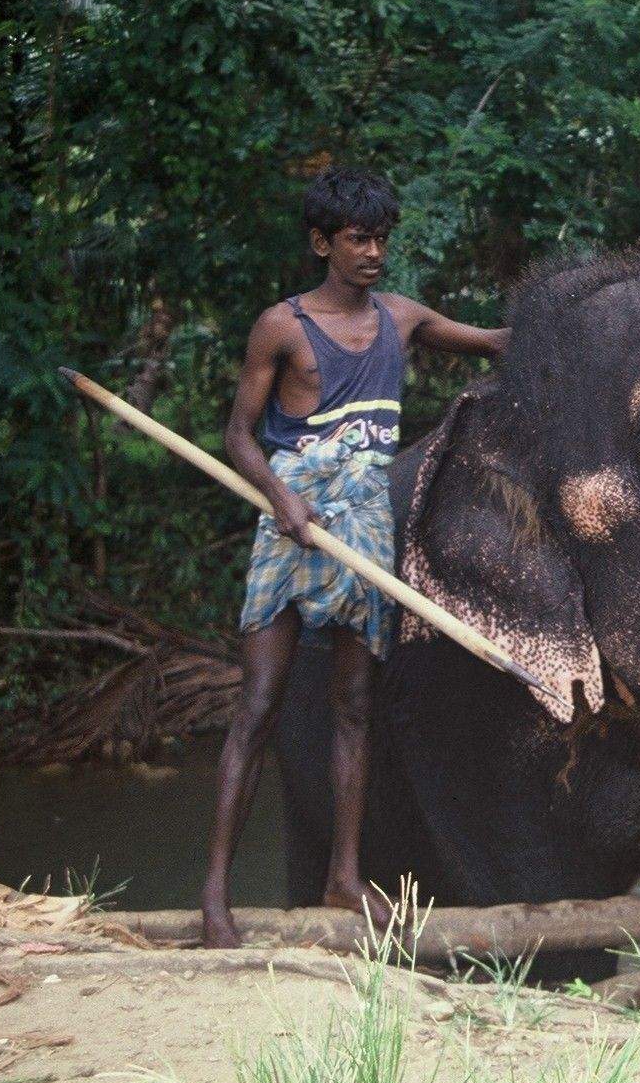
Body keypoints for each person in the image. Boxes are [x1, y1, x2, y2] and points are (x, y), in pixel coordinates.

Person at [201, 166, 509, 948]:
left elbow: (492, 344)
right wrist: (280, 497)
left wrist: (564, 329)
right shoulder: (282, 326)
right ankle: (214, 897)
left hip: (364, 524)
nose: (373, 253)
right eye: (357, 239)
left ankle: (344, 876)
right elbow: (238, 435)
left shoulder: (400, 319)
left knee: (353, 708)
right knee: (259, 705)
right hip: (290, 521)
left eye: (381, 239)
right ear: (322, 243)